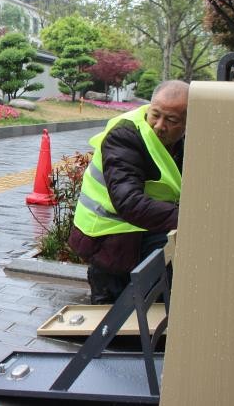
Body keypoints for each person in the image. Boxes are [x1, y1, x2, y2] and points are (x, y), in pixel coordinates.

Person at [68, 80, 189, 304]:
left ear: (187, 123)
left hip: (138, 231)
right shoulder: (125, 135)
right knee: (116, 322)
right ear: (149, 107)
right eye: (156, 115)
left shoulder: (183, 142)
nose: (160, 125)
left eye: (171, 120)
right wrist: (189, 219)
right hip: (109, 237)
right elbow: (129, 203)